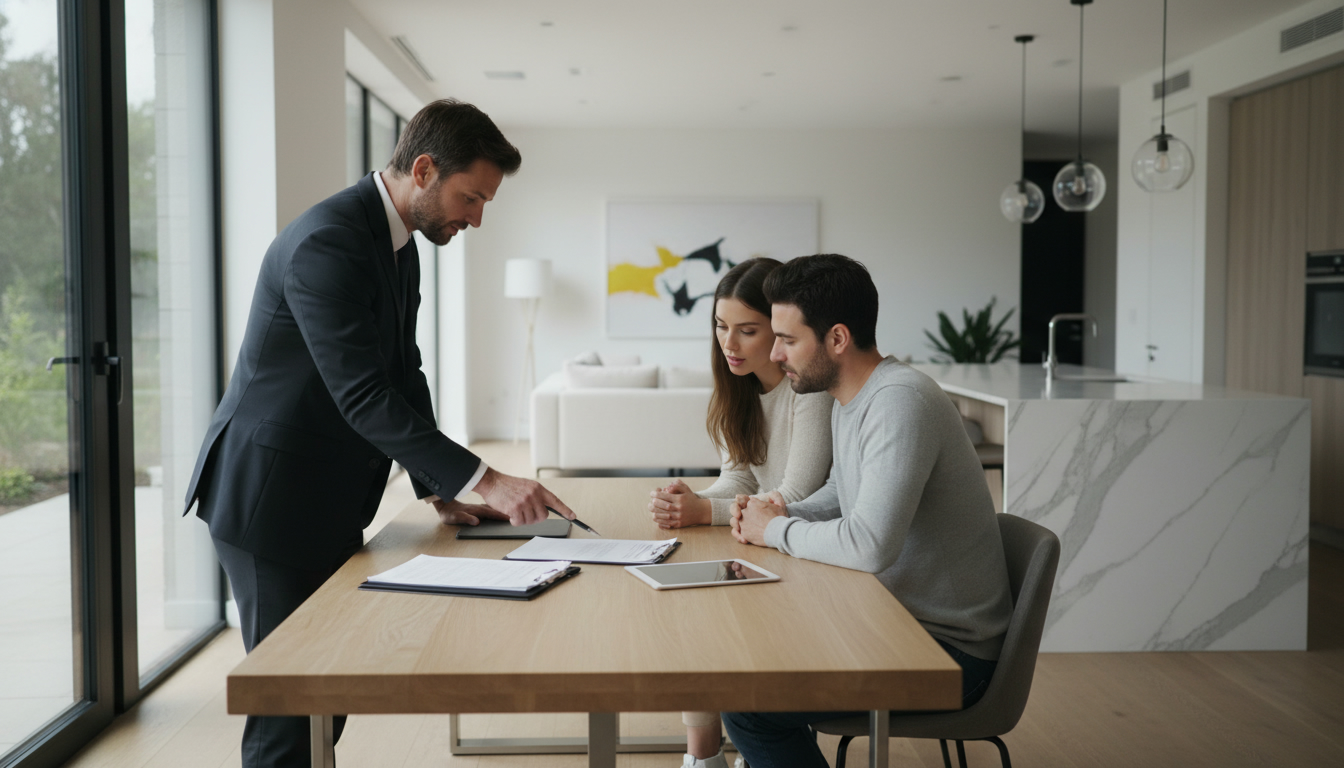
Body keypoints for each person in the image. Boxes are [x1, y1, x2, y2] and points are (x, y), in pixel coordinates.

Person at [182, 99, 575, 768]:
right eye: (471, 197)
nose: (477, 217)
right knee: (292, 705)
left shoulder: (398, 245)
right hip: (268, 502)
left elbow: (402, 370)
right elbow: (362, 396)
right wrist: (487, 478)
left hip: (322, 496)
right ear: (423, 169)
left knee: (326, 695)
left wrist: (438, 487)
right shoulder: (328, 241)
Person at [720, 254, 1014, 768]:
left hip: (948, 652)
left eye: (788, 339)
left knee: (750, 707)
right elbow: (841, 489)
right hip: (894, 620)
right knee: (748, 654)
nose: (775, 352)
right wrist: (778, 508)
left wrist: (777, 531)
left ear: (836, 339)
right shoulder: (849, 397)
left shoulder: (901, 401)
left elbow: (871, 544)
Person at [646, 258, 833, 768]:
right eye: (720, 327)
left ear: (778, 330)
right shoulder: (740, 387)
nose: (729, 344)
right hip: (770, 542)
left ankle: (714, 754)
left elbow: (796, 493)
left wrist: (706, 510)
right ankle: (703, 757)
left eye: (747, 331)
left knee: (709, 617)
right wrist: (693, 499)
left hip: (808, 557)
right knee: (695, 607)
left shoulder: (808, 392)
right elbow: (743, 480)